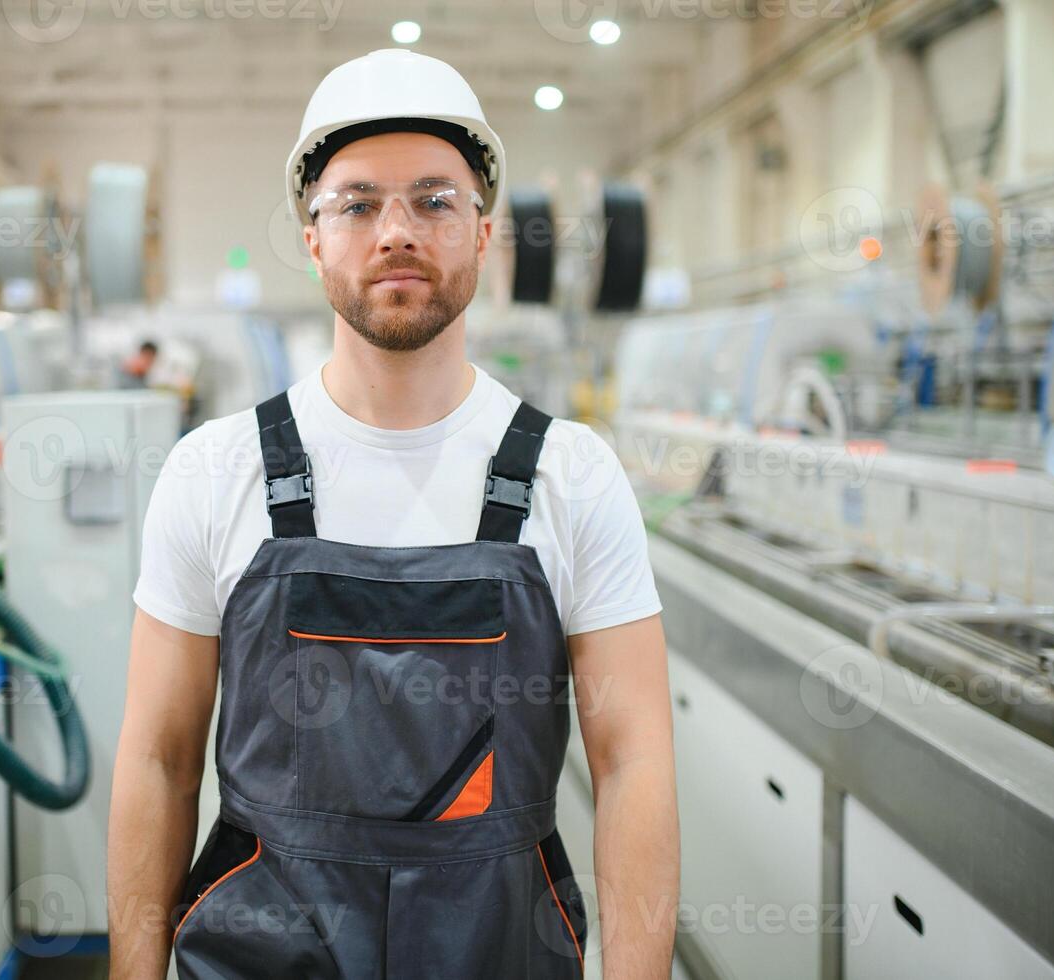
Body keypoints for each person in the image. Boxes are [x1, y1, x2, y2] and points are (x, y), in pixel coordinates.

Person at [109, 48, 678, 979]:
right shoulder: (214, 472)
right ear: (312, 236)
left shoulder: (572, 475)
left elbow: (634, 763)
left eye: (434, 199)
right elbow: (157, 762)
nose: (396, 231)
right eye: (359, 203)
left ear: (485, 234)